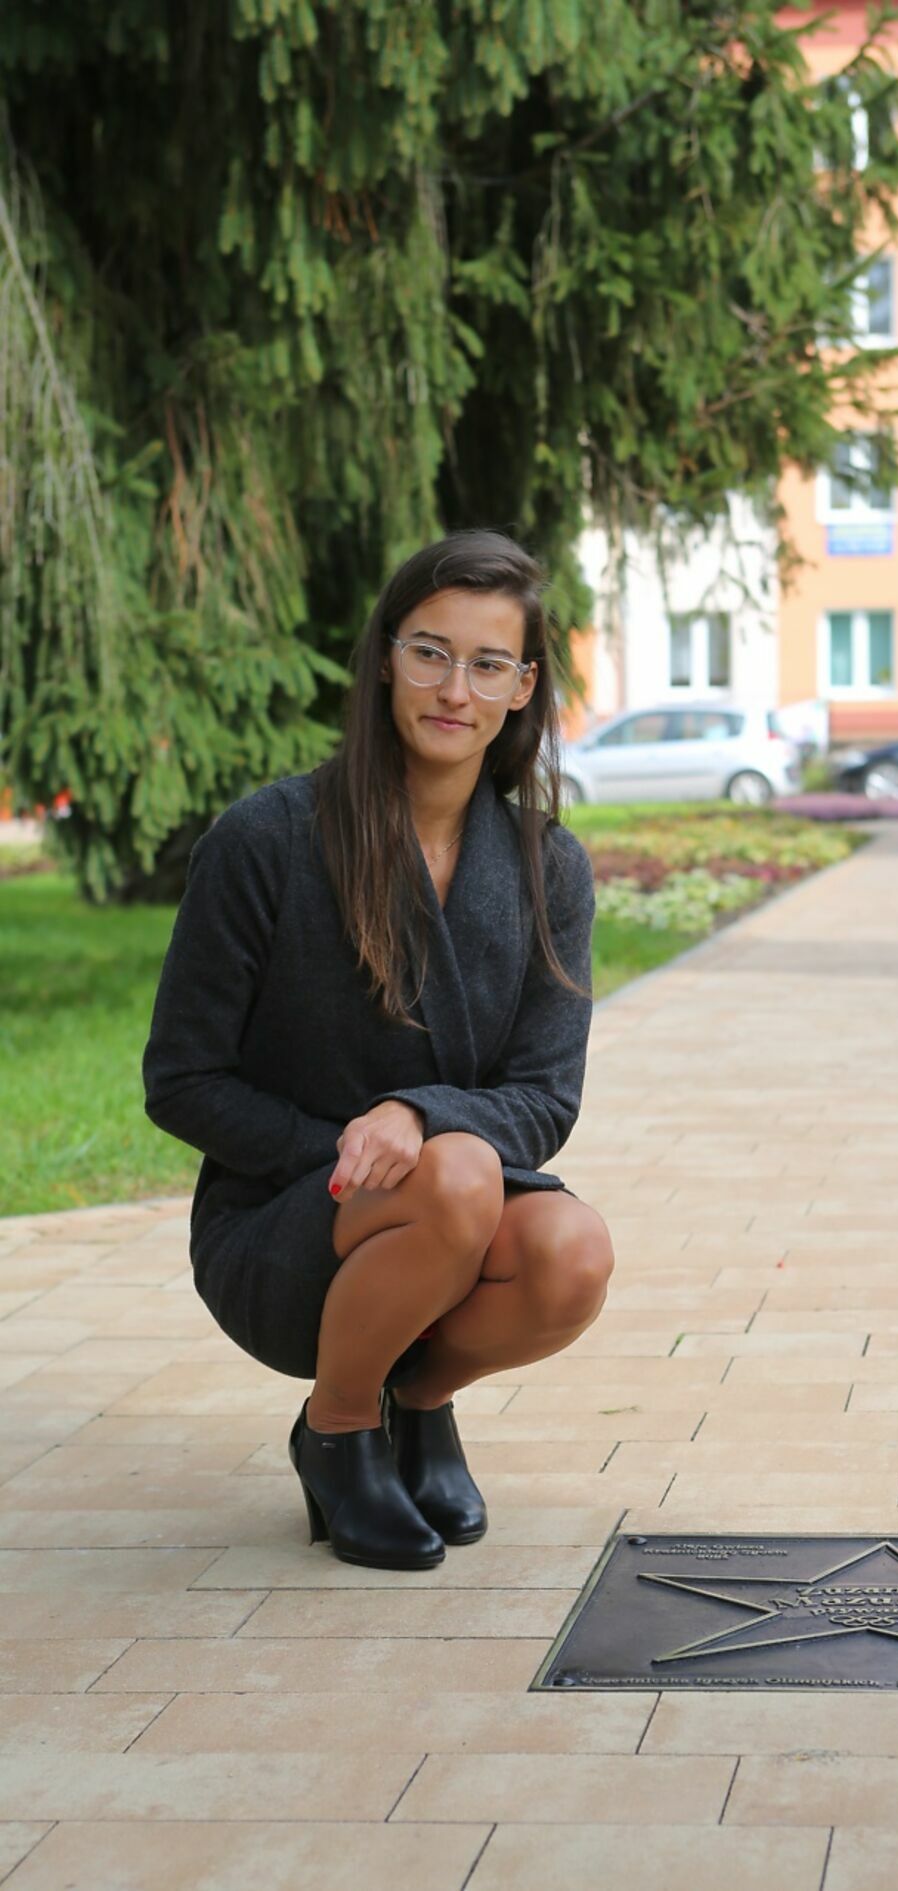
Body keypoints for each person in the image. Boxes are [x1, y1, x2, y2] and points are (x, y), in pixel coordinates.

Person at [142, 529, 614, 1571]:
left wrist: (417, 1117)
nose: (454, 689)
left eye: (488, 663)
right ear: (387, 658)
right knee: (455, 1173)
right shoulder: (267, 840)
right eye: (430, 652)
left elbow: (545, 1096)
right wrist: (353, 1152)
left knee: (571, 1251)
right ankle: (340, 1426)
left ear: (522, 687)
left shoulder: (549, 868)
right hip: (283, 1223)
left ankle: (421, 1400)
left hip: (458, 1205)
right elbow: (181, 1080)